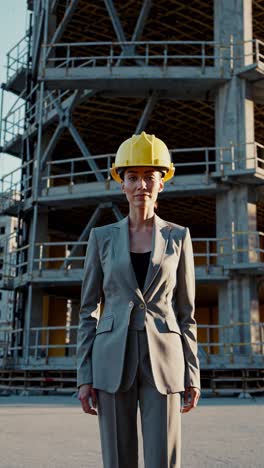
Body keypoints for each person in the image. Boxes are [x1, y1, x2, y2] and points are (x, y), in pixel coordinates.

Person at [77, 131, 201, 468]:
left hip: (165, 359)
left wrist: (193, 373)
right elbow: (88, 310)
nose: (141, 185)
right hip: (110, 358)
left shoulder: (178, 236)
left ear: (163, 182)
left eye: (150, 176)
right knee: (117, 458)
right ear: (121, 183)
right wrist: (84, 375)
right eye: (132, 177)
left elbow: (186, 312)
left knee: (163, 459)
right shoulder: (101, 238)